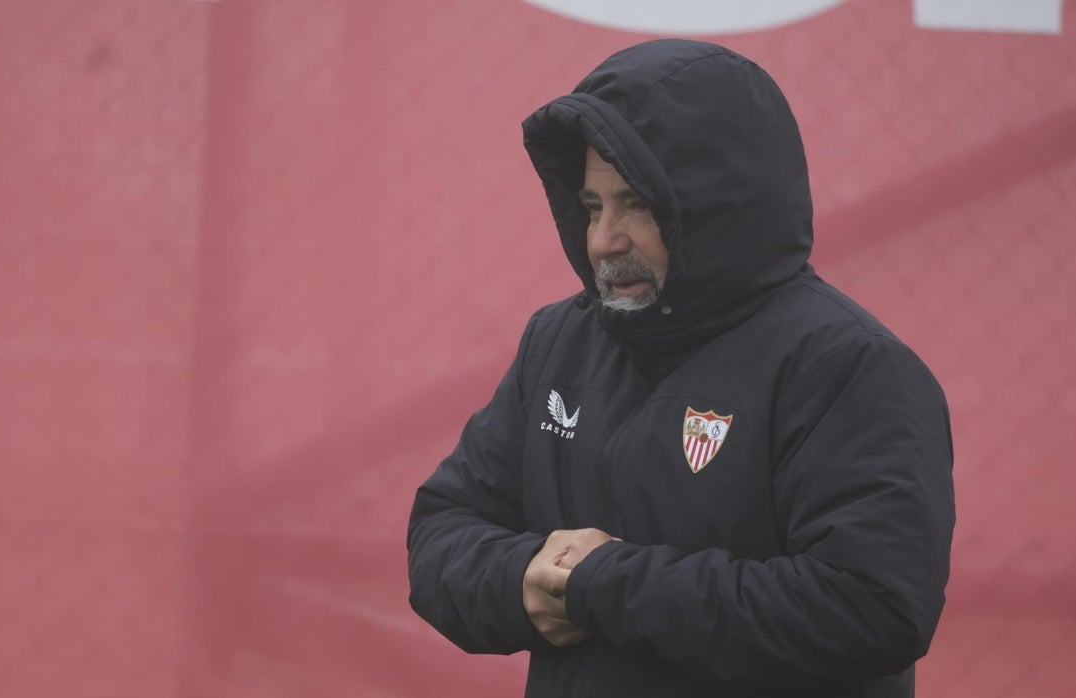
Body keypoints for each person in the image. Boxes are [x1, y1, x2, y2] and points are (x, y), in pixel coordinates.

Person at [406, 38, 954, 698]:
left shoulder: (848, 366)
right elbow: (442, 530)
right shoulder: (559, 341)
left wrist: (604, 583)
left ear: (718, 204)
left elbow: (872, 607)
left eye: (636, 202)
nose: (606, 238)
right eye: (591, 207)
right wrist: (525, 578)